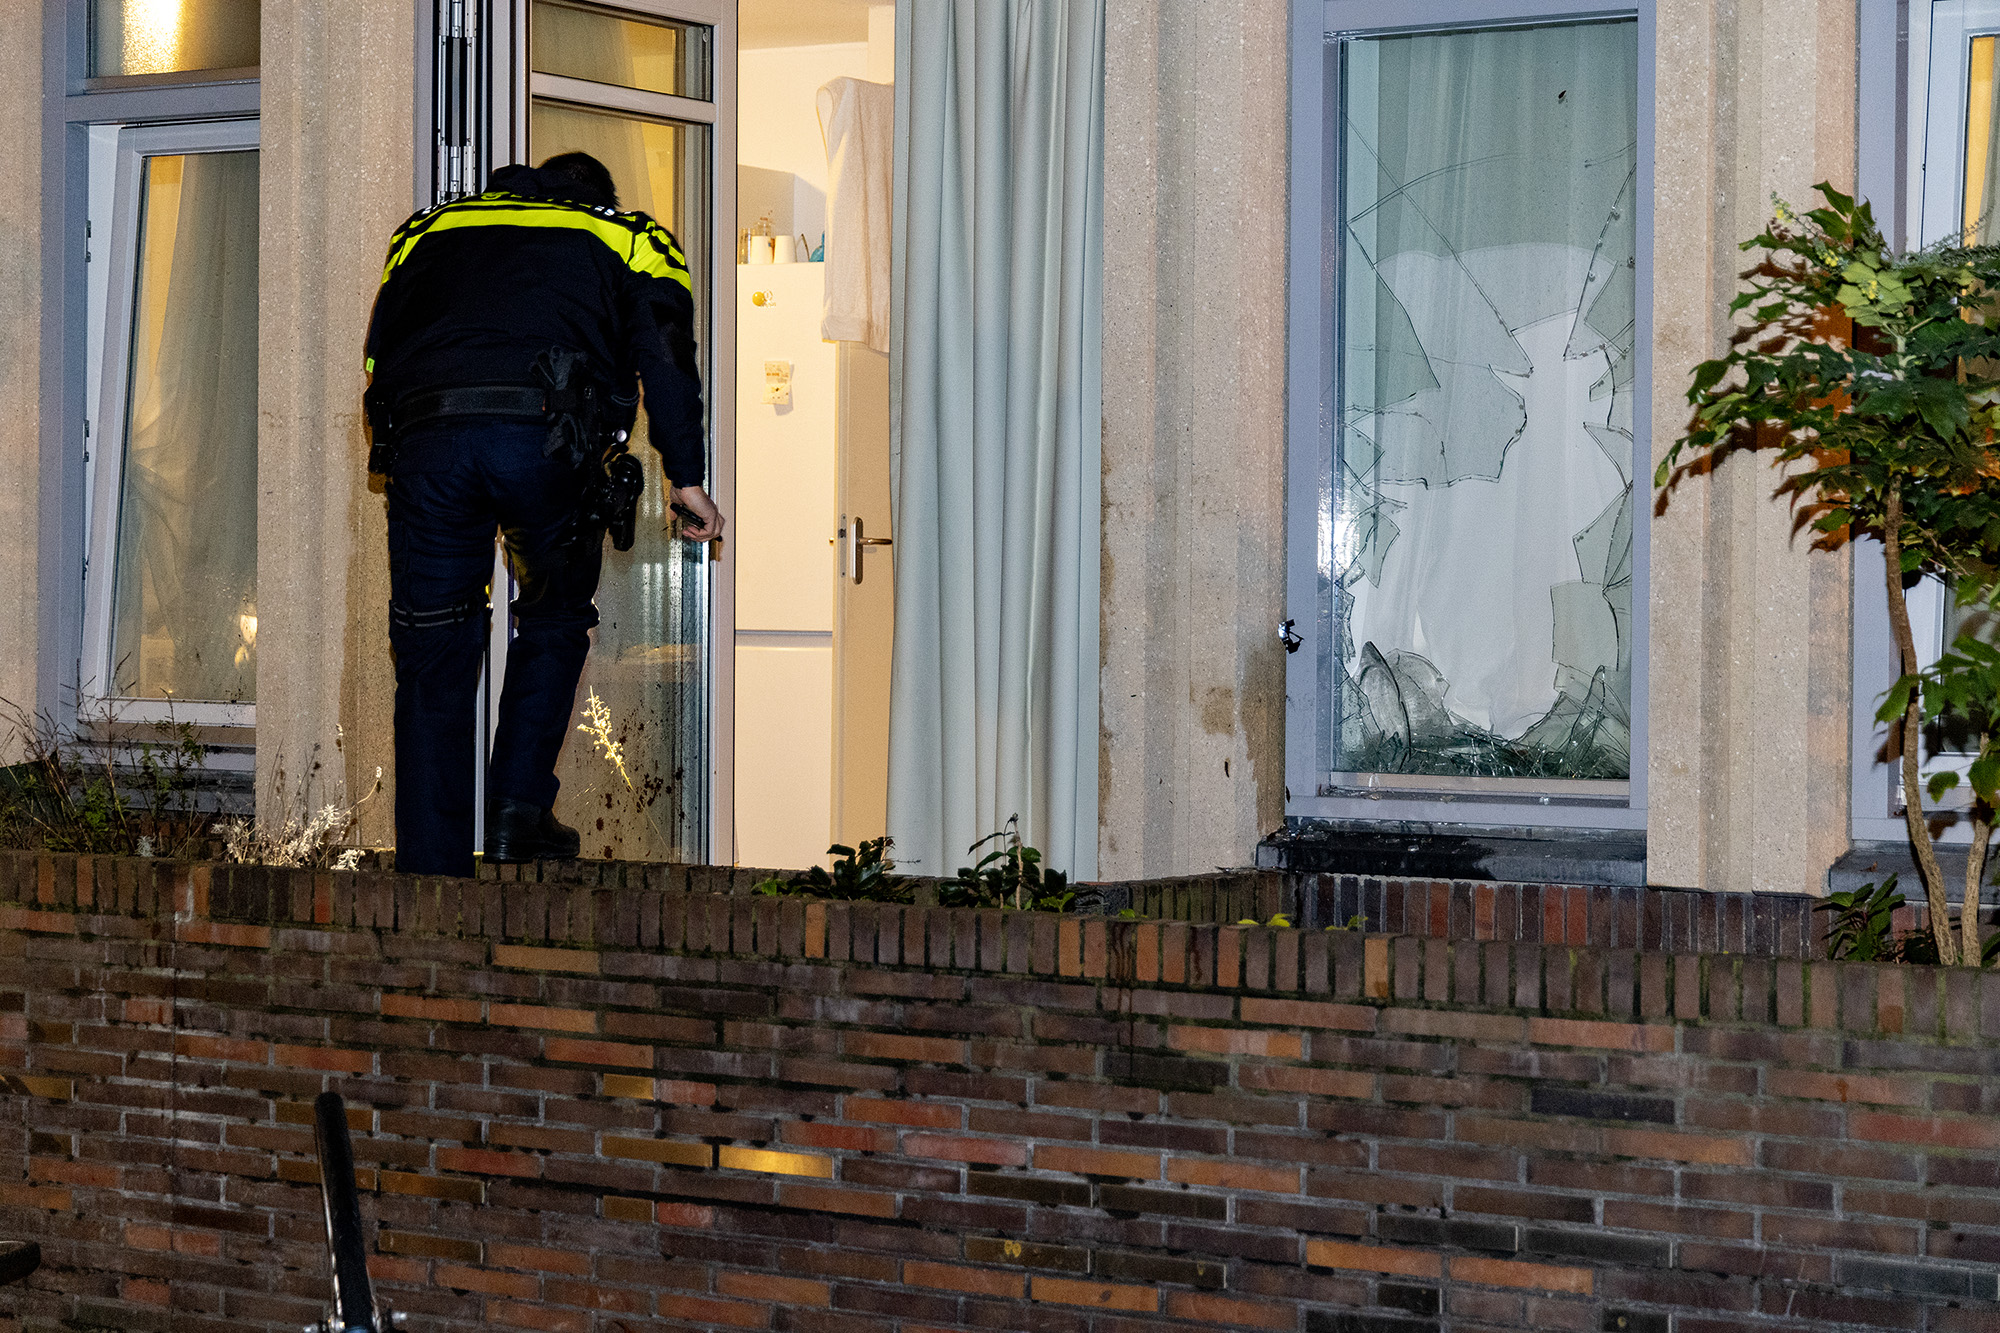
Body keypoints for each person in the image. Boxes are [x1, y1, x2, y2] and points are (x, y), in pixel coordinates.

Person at [362, 151, 722, 878]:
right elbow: (666, 354)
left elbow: (378, 354)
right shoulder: (628, 236)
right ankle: (514, 812)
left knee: (433, 655)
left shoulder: (427, 228)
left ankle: (431, 887)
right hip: (546, 438)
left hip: (428, 441)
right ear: (598, 194)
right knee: (554, 615)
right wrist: (686, 476)